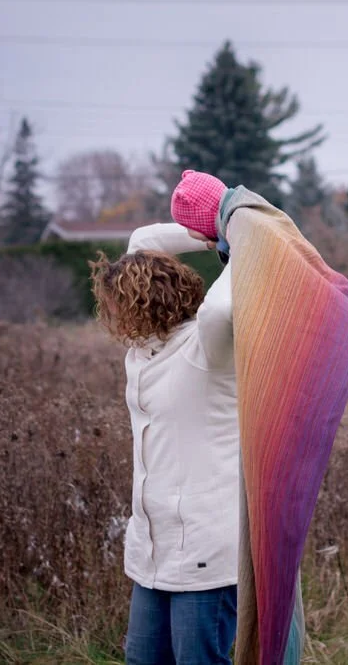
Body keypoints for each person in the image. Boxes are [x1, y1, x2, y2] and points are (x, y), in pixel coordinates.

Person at [89, 210, 237, 664]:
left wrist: (242, 232)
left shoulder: (207, 346)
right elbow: (143, 238)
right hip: (152, 550)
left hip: (206, 552)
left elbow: (221, 306)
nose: (110, 314)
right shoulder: (143, 348)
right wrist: (215, 237)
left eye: (117, 303)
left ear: (144, 302)